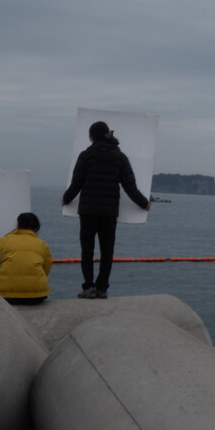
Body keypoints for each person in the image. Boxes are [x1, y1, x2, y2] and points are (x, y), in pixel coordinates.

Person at [62, 121, 150, 299]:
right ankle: (102, 288)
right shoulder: (120, 157)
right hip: (109, 211)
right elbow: (129, 186)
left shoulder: (86, 155)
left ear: (92, 136)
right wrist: (143, 203)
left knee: (87, 249)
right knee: (107, 250)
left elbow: (76, 183)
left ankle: (88, 288)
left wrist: (66, 198)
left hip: (87, 210)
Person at [0, 212, 53, 304]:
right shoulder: (41, 244)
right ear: (36, 228)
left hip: (6, 295)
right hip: (37, 295)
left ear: (18, 225)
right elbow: (47, 268)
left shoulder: (5, 241)